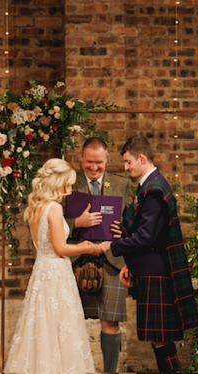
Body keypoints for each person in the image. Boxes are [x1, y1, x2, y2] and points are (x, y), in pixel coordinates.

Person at [100, 135, 198, 373]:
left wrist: (112, 247)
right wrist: (130, 265)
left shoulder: (154, 189)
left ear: (140, 158)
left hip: (157, 273)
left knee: (161, 338)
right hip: (151, 270)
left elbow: (147, 237)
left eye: (128, 162)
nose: (126, 167)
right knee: (159, 338)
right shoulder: (150, 185)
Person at [4, 158, 106, 374]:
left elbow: (46, 246)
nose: (69, 190)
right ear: (55, 182)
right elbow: (60, 248)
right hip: (57, 272)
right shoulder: (54, 209)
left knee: (41, 326)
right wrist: (86, 247)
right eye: (67, 184)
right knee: (59, 326)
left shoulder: (35, 208)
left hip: (42, 270)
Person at [64, 137, 134, 374]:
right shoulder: (67, 183)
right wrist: (76, 223)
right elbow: (50, 221)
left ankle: (110, 372)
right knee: (70, 322)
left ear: (106, 160)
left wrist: (122, 230)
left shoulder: (122, 184)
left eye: (99, 163)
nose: (94, 168)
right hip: (75, 259)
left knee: (110, 321)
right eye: (88, 163)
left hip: (110, 260)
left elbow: (135, 224)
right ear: (80, 159)